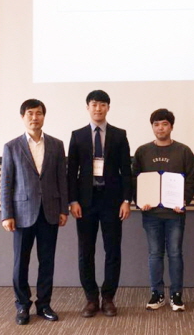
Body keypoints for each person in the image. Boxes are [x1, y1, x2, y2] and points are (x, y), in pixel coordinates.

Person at [0, 99, 68, 325]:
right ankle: (22, 305)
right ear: (23, 117)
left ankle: (44, 304)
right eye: (30, 113)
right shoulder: (11, 147)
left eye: (38, 113)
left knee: (47, 261)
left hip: (50, 211)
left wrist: (63, 209)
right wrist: (7, 214)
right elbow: (6, 183)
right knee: (21, 262)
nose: (34, 117)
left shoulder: (56, 145)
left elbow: (61, 179)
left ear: (44, 116)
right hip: (21, 214)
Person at [68, 90, 132, 318]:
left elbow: (126, 171)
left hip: (112, 201)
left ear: (108, 108)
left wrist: (126, 200)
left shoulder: (119, 135)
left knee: (112, 250)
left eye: (102, 104)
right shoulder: (77, 136)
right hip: (85, 202)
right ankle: (91, 298)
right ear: (87, 107)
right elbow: (71, 172)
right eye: (94, 104)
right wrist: (73, 200)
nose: (98, 108)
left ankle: (108, 298)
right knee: (85, 251)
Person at [133, 109, 194, 312]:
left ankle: (176, 295)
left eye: (164, 124)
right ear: (152, 127)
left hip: (175, 214)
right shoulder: (142, 151)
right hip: (151, 214)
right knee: (155, 254)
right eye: (156, 124)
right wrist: (140, 201)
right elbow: (134, 180)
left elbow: (191, 179)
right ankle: (157, 294)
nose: (160, 128)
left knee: (175, 253)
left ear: (171, 126)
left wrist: (184, 200)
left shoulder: (183, 151)